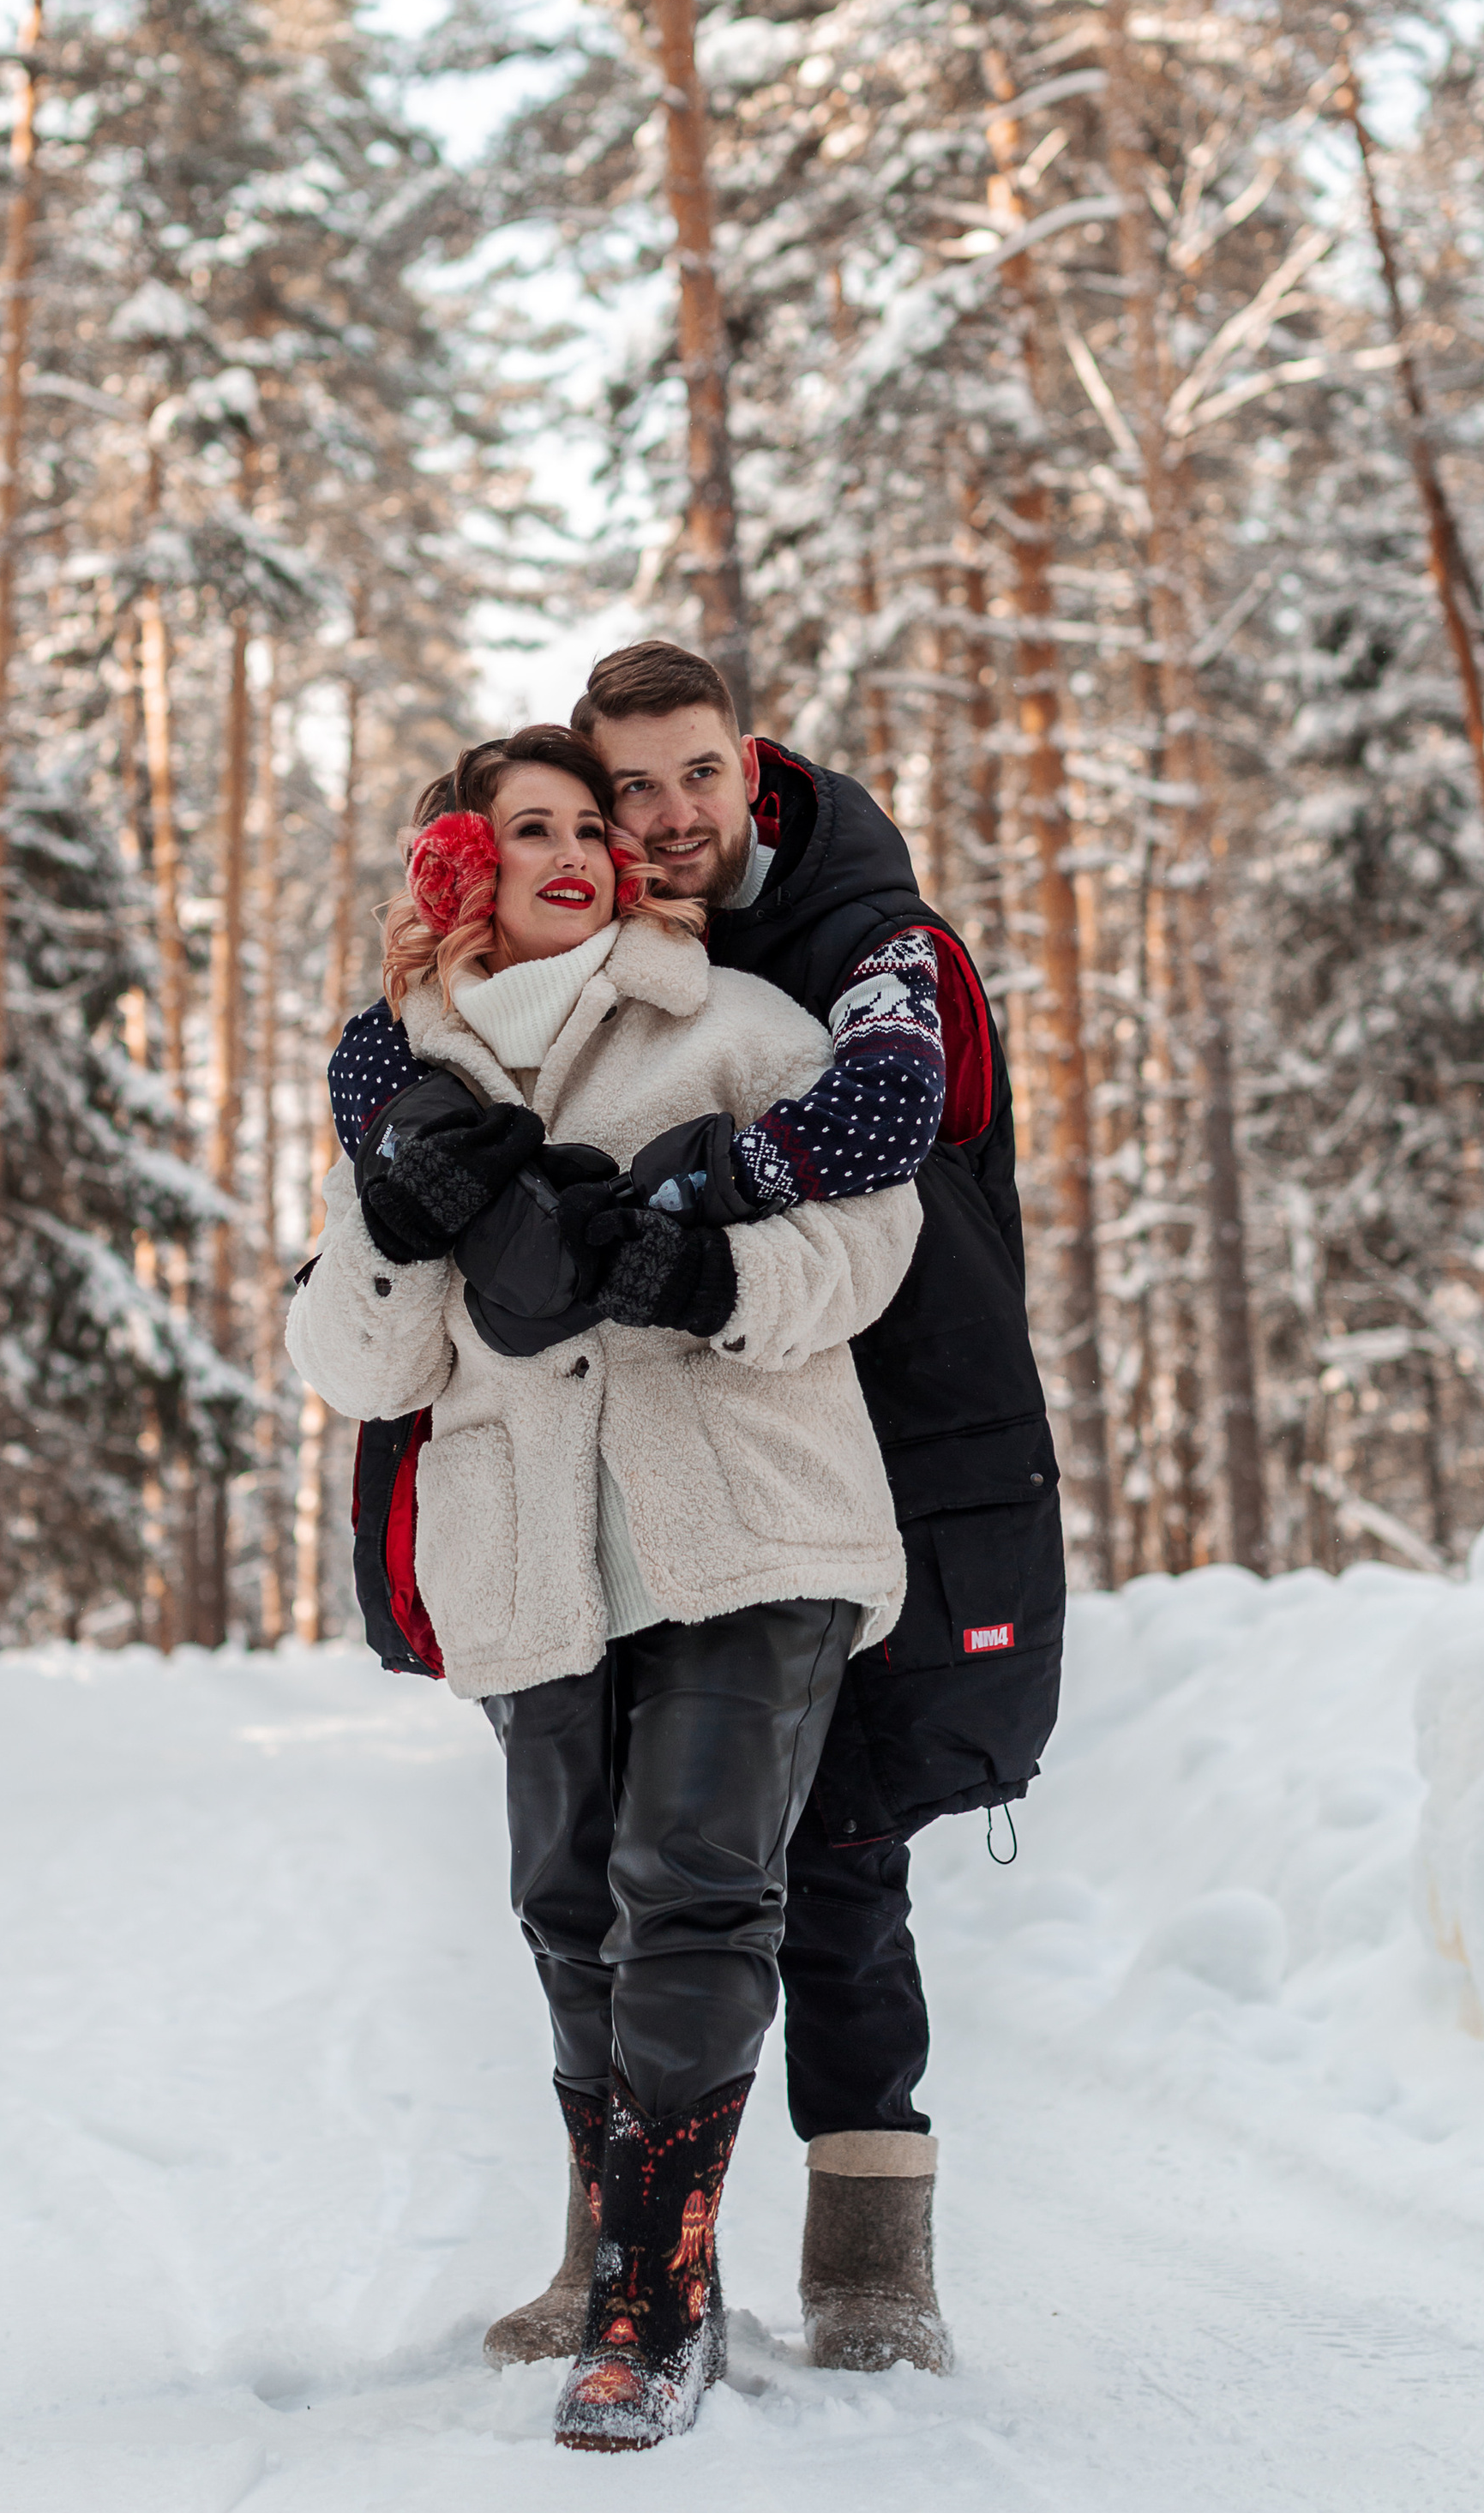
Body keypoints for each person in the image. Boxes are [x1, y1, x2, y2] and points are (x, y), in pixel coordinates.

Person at [329, 647, 1064, 2378]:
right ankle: (623, 2254)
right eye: (612, 797)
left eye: (684, 786)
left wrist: (685, 1215)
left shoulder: (865, 952)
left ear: (750, 770)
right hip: (646, 1453)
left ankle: (869, 2259)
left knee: (834, 1854)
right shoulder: (577, 948)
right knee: (600, 1874)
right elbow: (402, 1073)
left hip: (870, 1428)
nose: (650, 827)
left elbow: (882, 1138)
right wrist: (404, 1126)